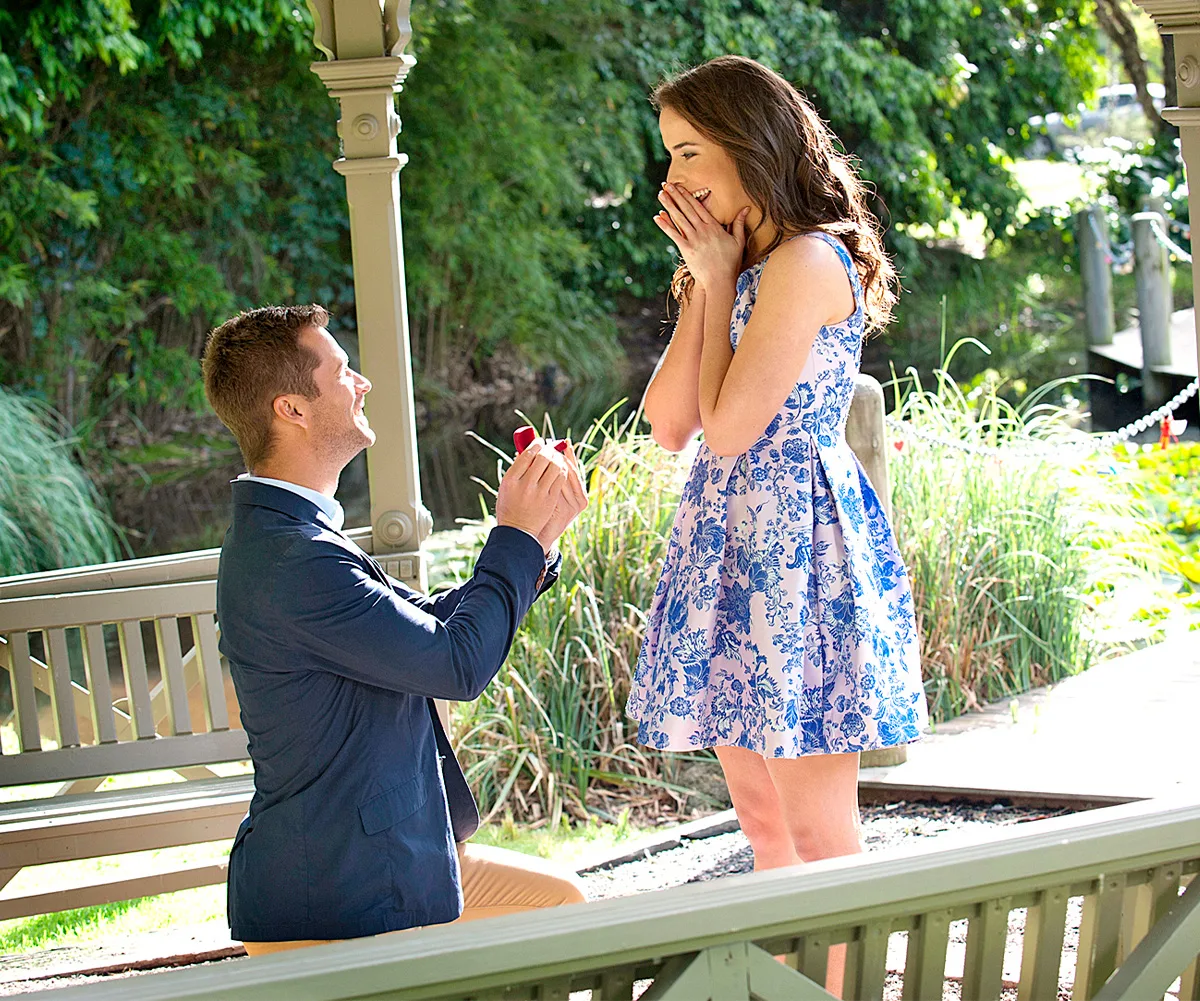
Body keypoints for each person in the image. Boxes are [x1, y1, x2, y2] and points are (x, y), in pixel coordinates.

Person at [625, 55, 928, 988]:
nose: (671, 179)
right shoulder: (730, 266)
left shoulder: (805, 260)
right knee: (760, 825)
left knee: (817, 831)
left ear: (747, 148)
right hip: (726, 544)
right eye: (667, 156)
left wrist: (718, 285)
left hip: (800, 547)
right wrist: (705, 280)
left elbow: (735, 424)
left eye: (687, 153)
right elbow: (671, 424)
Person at [201, 304, 588, 954]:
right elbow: (456, 663)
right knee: (560, 917)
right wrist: (513, 536)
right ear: (291, 409)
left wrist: (538, 543)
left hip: (370, 864)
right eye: (343, 370)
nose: (363, 383)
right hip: (338, 891)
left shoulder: (291, 535)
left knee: (564, 906)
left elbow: (430, 622)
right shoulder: (296, 559)